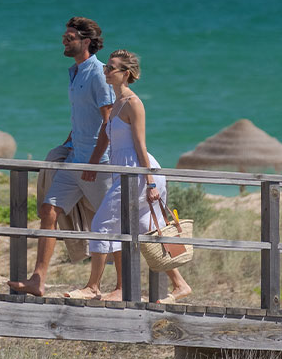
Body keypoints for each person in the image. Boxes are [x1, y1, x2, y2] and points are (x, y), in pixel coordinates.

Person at [69, 50, 192, 301]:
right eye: (106, 67)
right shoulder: (116, 104)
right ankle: (180, 285)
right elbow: (108, 137)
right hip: (125, 174)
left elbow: (139, 144)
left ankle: (92, 287)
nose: (106, 71)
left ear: (125, 74)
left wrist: (149, 182)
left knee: (102, 224)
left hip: (138, 174)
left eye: (111, 68)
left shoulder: (133, 103)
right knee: (150, 229)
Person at [8, 16, 114, 296]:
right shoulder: (75, 72)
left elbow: (109, 122)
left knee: (114, 225)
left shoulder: (100, 75)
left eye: (70, 38)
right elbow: (85, 114)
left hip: (97, 163)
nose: (64, 42)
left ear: (86, 42)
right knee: (48, 210)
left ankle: (123, 285)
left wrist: (94, 162)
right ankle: (37, 280)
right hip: (74, 158)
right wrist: (71, 138)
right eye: (64, 37)